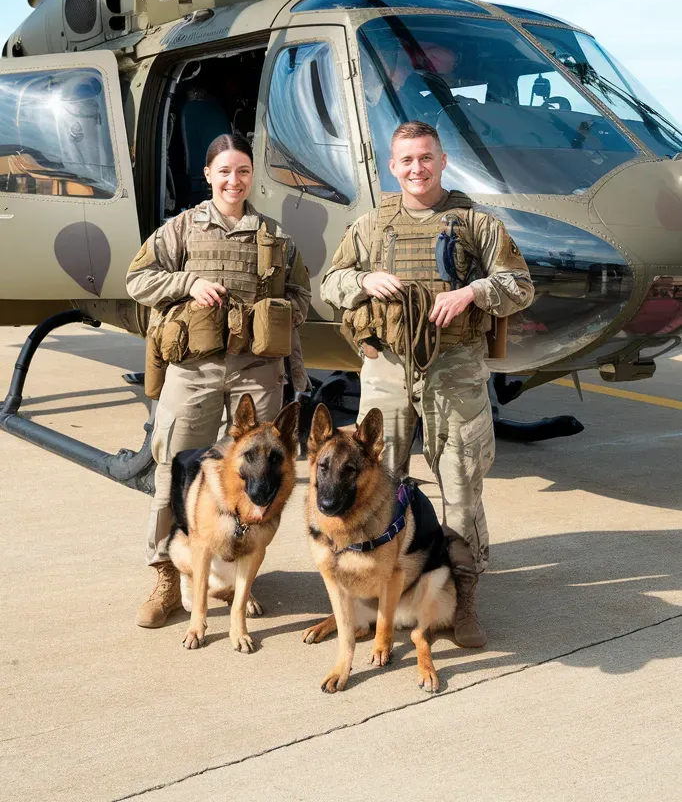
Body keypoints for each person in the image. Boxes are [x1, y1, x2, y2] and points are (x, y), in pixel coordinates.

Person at [320, 121, 534, 647]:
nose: (417, 169)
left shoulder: (475, 223)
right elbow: (329, 282)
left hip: (454, 368)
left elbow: (521, 287)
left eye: (426, 158)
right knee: (373, 488)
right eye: (406, 161)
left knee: (460, 484)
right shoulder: (371, 226)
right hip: (388, 367)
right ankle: (369, 599)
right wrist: (363, 280)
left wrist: (474, 293)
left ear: (441, 162)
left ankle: (462, 599)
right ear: (392, 168)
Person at [127, 132, 311, 629]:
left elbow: (302, 296)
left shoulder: (273, 236)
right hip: (195, 367)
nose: (235, 180)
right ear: (208, 175)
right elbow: (138, 280)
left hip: (257, 368)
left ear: (252, 176)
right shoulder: (183, 229)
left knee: (258, 479)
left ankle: (239, 580)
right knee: (174, 472)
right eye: (225, 171)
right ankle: (167, 575)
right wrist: (189, 282)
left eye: (243, 171)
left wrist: (274, 314)